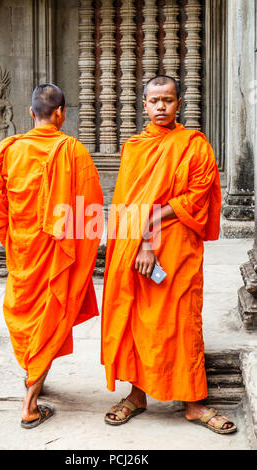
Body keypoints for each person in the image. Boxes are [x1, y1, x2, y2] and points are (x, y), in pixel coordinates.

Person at [101, 75, 237, 434]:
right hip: (138, 250)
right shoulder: (135, 148)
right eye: (154, 100)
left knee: (181, 321)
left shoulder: (194, 145)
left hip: (178, 249)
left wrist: (148, 226)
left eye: (168, 100)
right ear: (143, 105)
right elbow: (126, 206)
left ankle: (193, 402)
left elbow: (195, 198)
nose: (161, 106)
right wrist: (142, 240)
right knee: (137, 320)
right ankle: (137, 393)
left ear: (180, 104)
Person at [0, 84, 104, 429]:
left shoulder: (9, 149)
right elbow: (90, 209)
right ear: (61, 113)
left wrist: (12, 238)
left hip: (23, 251)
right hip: (55, 254)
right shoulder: (73, 151)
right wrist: (76, 249)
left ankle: (34, 377)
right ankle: (30, 406)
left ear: (31, 113)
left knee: (32, 319)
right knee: (50, 317)